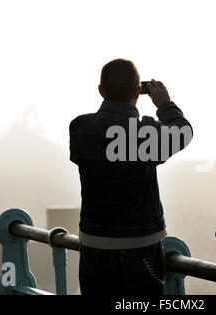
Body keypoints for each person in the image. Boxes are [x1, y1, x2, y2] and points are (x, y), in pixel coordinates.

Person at [69, 58, 192, 295]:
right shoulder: (145, 132)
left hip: (93, 246)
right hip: (142, 248)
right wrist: (164, 103)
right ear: (139, 91)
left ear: (100, 90)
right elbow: (182, 131)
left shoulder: (80, 127)